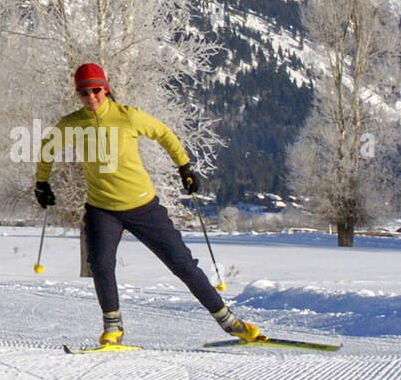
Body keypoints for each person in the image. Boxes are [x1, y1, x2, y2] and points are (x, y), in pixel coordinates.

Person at [33, 62, 261, 347]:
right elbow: (47, 148)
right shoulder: (72, 124)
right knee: (101, 264)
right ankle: (112, 327)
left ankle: (229, 321)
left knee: (182, 264)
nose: (91, 97)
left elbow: (164, 133)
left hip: (143, 206)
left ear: (105, 88)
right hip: (102, 209)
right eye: (84, 93)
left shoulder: (127, 116)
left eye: (96, 90)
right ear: (77, 94)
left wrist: (184, 168)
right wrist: (42, 183)